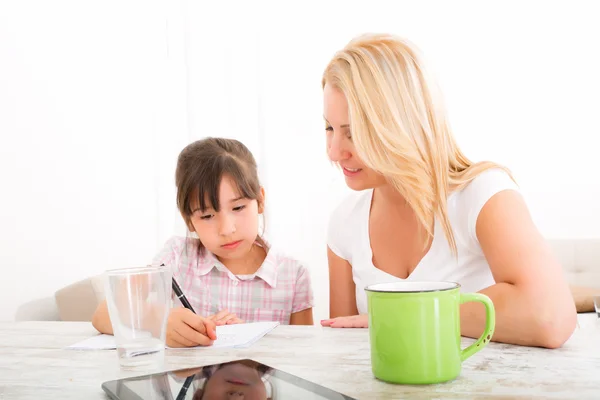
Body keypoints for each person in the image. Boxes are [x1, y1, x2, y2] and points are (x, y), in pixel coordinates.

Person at [319, 33, 577, 348]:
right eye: (329, 128)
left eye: (354, 133)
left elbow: (551, 318)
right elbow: (343, 351)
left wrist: (406, 315)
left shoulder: (482, 194)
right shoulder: (343, 222)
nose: (334, 152)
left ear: (402, 125)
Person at [92, 137, 314, 347]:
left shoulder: (293, 276)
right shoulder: (176, 256)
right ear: (189, 220)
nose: (227, 229)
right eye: (207, 216)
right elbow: (103, 314)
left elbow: (301, 359)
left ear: (260, 200)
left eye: (238, 208)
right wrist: (159, 321)